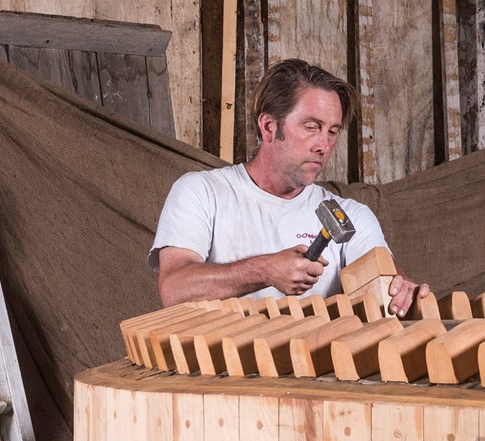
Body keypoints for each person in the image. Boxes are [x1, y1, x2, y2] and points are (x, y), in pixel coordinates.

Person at [149, 59, 429, 316]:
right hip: (218, 367)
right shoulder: (201, 192)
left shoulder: (351, 214)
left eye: (332, 131)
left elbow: (383, 278)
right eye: (311, 127)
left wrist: (402, 289)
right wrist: (266, 270)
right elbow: (174, 289)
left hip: (311, 367)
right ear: (269, 127)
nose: (324, 145)